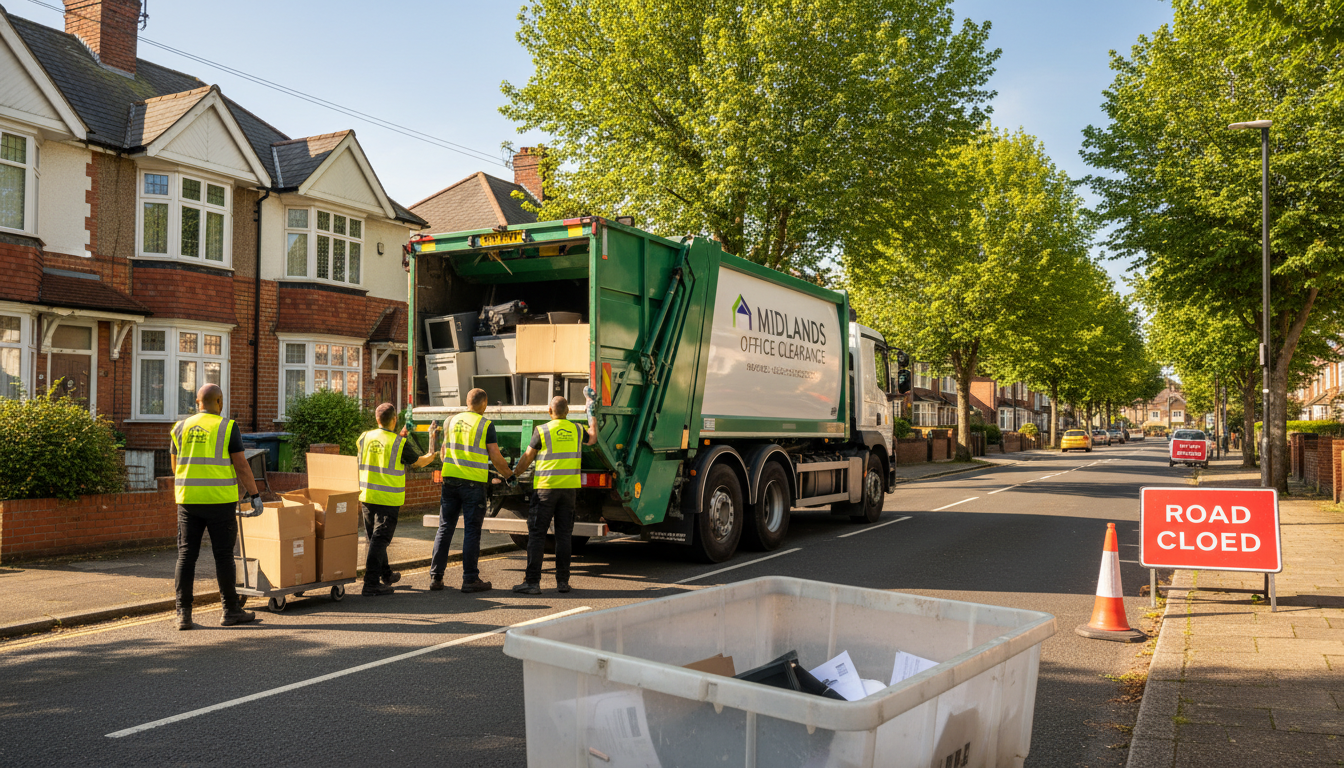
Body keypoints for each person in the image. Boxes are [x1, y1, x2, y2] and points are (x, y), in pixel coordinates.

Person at [170, 383, 264, 631]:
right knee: (223, 556)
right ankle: (230, 610)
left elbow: (175, 466)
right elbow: (242, 465)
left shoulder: (179, 427)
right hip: (220, 501)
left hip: (188, 501)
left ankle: (183, 614)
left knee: (186, 556)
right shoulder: (227, 427)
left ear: (197, 403)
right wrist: (255, 495)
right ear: (219, 402)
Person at [509, 393, 598, 595]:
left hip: (545, 491)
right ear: (567, 412)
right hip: (568, 491)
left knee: (537, 535)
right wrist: (591, 411)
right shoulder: (576, 429)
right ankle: (563, 582)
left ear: (550, 411)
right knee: (564, 536)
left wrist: (513, 475)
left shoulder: (542, 430)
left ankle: (532, 582)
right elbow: (592, 438)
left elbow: (527, 458)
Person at [429, 388, 515, 592]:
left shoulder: (450, 421)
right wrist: (510, 476)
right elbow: (494, 454)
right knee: (471, 531)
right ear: (484, 404)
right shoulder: (485, 424)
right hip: (472, 485)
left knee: (445, 528)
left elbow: (443, 453)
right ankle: (469, 579)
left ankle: (436, 577)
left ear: (466, 402)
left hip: (449, 481)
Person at [356, 404, 439, 597]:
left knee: (375, 539)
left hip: (366, 495)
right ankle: (370, 584)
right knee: (380, 540)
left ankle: (386, 575)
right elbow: (419, 462)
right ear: (394, 419)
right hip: (388, 499)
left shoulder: (364, 437)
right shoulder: (398, 443)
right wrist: (433, 446)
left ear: (377, 419)